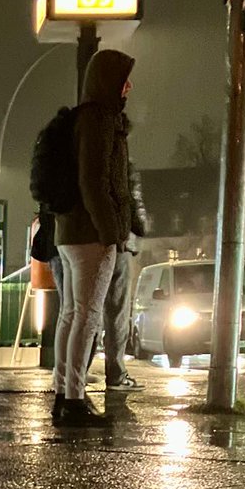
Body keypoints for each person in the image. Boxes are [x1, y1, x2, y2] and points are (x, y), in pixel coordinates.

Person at [52, 49, 135, 426]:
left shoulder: (81, 119)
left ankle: (64, 393)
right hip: (90, 235)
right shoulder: (100, 120)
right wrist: (110, 232)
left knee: (71, 315)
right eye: (123, 79)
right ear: (108, 82)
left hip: (70, 232)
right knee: (87, 316)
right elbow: (96, 181)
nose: (129, 87)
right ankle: (74, 400)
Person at [95, 160, 149, 391]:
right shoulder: (122, 164)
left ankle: (77, 372)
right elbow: (134, 203)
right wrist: (140, 227)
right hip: (121, 243)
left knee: (87, 311)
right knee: (117, 312)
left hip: (89, 240)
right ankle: (116, 374)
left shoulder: (83, 157)